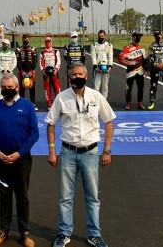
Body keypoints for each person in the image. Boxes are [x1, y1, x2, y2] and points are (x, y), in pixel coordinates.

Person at [45, 63, 115, 247]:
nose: (77, 76)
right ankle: (64, 233)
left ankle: (94, 234)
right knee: (65, 197)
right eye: (74, 74)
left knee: (92, 197)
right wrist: (52, 150)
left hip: (90, 153)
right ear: (69, 78)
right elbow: (50, 124)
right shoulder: (61, 97)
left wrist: (106, 150)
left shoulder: (95, 96)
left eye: (80, 74)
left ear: (86, 76)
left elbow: (109, 121)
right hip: (68, 152)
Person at [0, 73, 39, 247]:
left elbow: (34, 133)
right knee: (4, 196)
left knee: (22, 197)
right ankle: (4, 231)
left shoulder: (27, 105)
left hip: (21, 159)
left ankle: (24, 233)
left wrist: (20, 153)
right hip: (1, 158)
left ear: (17, 87)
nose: (7, 90)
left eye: (10, 87)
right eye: (4, 87)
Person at [118, 31, 146, 110]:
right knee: (128, 88)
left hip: (140, 71)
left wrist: (147, 69)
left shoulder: (142, 48)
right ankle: (128, 103)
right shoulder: (127, 48)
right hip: (130, 71)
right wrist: (128, 63)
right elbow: (120, 57)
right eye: (137, 36)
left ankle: (140, 102)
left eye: (140, 36)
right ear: (133, 37)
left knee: (141, 87)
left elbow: (145, 60)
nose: (139, 38)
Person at [90, 30, 113, 98]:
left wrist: (110, 66)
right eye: (100, 36)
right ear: (98, 36)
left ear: (104, 36)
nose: (101, 37)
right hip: (97, 68)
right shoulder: (94, 45)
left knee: (105, 86)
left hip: (106, 68)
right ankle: (96, 101)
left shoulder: (109, 45)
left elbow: (110, 56)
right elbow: (93, 56)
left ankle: (104, 101)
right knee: (96, 86)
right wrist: (94, 66)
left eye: (102, 36)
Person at [16, 34, 37, 109]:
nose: (26, 40)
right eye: (24, 39)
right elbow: (17, 62)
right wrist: (22, 71)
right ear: (22, 40)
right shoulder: (18, 49)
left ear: (29, 40)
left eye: (27, 39)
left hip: (31, 71)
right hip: (22, 71)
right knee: (21, 88)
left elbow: (35, 61)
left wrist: (31, 71)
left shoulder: (33, 49)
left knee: (32, 87)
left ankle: (32, 104)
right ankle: (22, 104)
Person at [40, 36, 61, 109]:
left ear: (51, 42)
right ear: (45, 43)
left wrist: (56, 69)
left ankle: (58, 104)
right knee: (47, 89)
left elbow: (58, 61)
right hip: (46, 73)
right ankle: (49, 104)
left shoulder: (56, 51)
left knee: (57, 88)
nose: (48, 43)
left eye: (49, 41)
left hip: (54, 73)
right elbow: (41, 63)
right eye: (46, 41)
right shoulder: (42, 52)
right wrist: (43, 71)